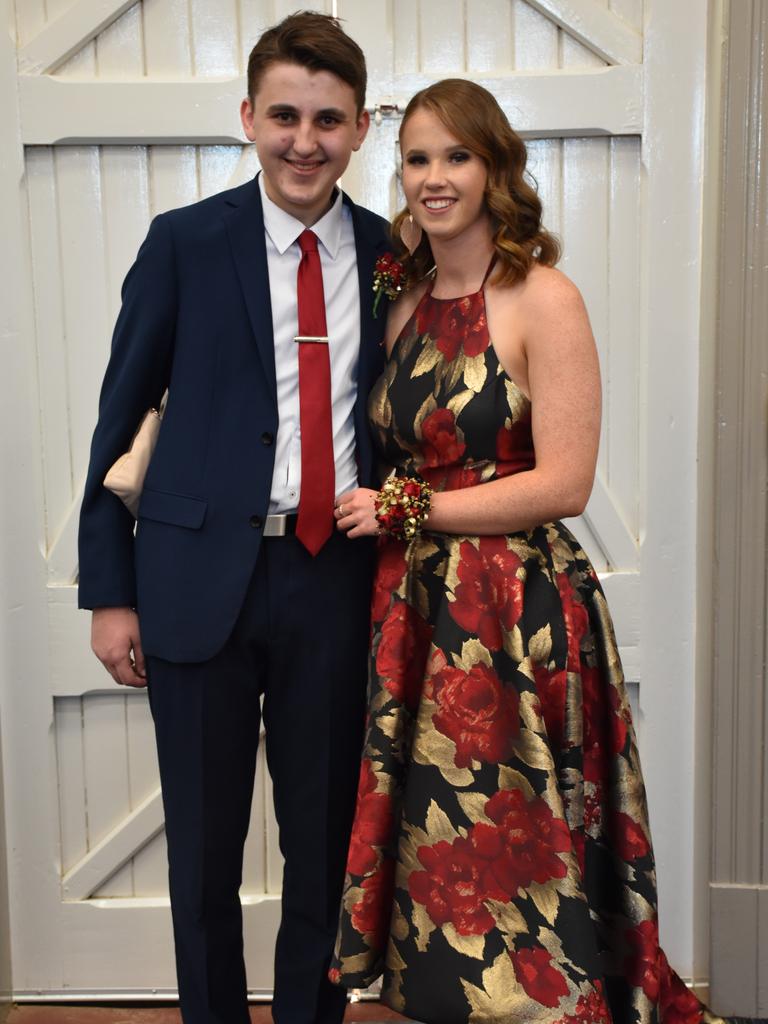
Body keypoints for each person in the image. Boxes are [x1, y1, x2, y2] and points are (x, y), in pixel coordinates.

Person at [329, 79, 729, 1024]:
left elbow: (565, 484)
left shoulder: (542, 297)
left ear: (496, 168)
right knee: (442, 843)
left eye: (457, 157)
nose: (435, 178)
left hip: (517, 616)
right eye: (418, 158)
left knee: (525, 837)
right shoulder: (401, 301)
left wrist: (405, 503)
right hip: (416, 616)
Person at [77, 12, 391, 1024]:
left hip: (337, 582)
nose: (306, 140)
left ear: (362, 128)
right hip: (192, 579)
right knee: (204, 852)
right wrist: (109, 591)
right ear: (249, 116)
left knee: (324, 848)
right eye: (286, 115)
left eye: (329, 120)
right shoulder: (184, 244)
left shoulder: (396, 260)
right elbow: (117, 420)